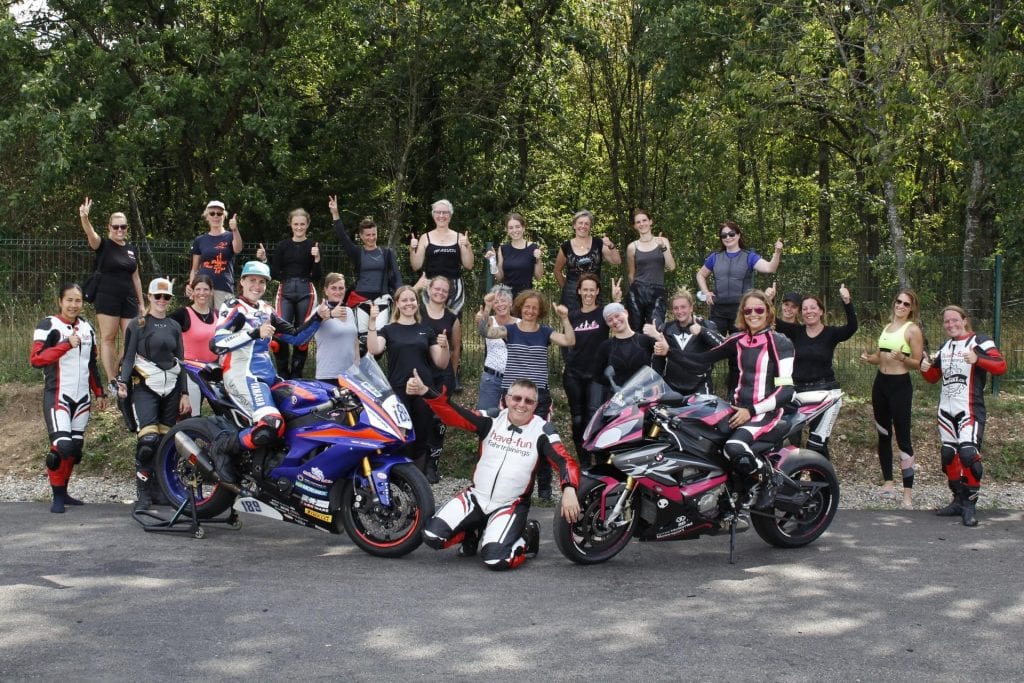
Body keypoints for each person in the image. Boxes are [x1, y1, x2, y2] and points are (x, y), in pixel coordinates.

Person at [406, 370, 581, 570]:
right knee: (431, 536)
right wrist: (426, 391)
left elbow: (564, 461)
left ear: (536, 405)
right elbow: (454, 415)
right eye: (517, 398)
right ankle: (472, 531)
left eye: (529, 401)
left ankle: (526, 534)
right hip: (476, 497)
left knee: (495, 559)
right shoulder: (492, 418)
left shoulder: (543, 431)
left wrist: (569, 487)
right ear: (507, 399)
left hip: (510, 504)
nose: (522, 404)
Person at [675, 290, 795, 509]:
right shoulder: (738, 340)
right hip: (737, 409)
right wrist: (669, 353)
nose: (753, 314)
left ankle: (770, 480)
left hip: (764, 412)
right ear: (742, 313)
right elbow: (700, 361)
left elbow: (786, 391)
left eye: (759, 309)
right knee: (702, 439)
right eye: (748, 310)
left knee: (734, 445)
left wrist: (751, 410)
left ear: (768, 312)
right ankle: (727, 494)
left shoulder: (780, 342)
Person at [210, 261, 327, 474]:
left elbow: (296, 336)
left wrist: (318, 316)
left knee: (304, 412)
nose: (257, 285)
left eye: (262, 282)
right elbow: (217, 343)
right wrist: (254, 333)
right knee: (271, 423)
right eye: (252, 280)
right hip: (242, 375)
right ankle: (222, 448)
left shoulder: (266, 309)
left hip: (268, 377)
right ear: (242, 282)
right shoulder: (234, 306)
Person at [484, 289, 575, 499]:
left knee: (541, 440)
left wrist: (565, 318)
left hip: (538, 397)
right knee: (507, 440)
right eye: (527, 307)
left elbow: (569, 341)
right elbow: (485, 332)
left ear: (539, 310)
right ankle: (508, 487)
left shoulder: (545, 332)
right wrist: (488, 307)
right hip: (512, 395)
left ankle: (543, 489)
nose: (530, 311)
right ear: (521, 308)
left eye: (534, 307)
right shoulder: (509, 330)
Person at [921, 305, 1006, 526]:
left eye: (954, 320)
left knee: (968, 454)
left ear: (964, 320)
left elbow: (1000, 365)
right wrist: (924, 367)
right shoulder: (945, 347)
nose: (951, 324)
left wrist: (978, 359)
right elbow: (933, 377)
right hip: (945, 412)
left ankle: (970, 505)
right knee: (948, 456)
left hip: (970, 409)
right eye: (947, 322)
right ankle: (958, 500)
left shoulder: (980, 341)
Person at [115, 278, 190, 511]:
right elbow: (128, 357)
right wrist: (123, 383)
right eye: (157, 296)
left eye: (166, 297)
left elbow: (182, 362)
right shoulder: (137, 324)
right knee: (148, 441)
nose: (161, 300)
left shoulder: (174, 326)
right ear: (148, 297)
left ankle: (161, 491)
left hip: (172, 390)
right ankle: (143, 493)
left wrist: (185, 393)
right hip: (146, 387)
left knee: (165, 445)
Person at [30, 284, 106, 513]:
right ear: (60, 301)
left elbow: (91, 364)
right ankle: (57, 498)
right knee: (61, 446)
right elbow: (36, 359)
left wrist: (99, 392)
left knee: (75, 448)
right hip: (57, 395)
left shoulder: (87, 328)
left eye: (78, 300)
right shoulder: (49, 325)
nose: (74, 305)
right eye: (69, 300)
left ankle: (64, 492)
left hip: (82, 397)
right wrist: (65, 345)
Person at [366, 285, 450, 474]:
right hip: (397, 391)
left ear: (416, 303)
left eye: (412, 299)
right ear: (397, 304)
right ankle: (400, 477)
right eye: (404, 300)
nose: (408, 303)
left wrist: (445, 347)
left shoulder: (426, 330)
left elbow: (441, 363)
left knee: (420, 436)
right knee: (400, 435)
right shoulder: (388, 330)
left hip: (423, 389)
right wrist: (372, 322)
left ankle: (418, 480)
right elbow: (374, 349)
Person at [695, 221, 783, 394]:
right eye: (724, 235)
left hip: (741, 312)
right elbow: (700, 274)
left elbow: (770, 267)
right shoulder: (715, 257)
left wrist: (777, 251)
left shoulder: (749, 256)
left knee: (738, 354)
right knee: (710, 349)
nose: (728, 237)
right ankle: (704, 392)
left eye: (731, 234)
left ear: (738, 235)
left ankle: (734, 395)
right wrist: (706, 293)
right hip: (718, 311)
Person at [773, 285, 858, 459]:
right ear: (801, 313)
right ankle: (796, 481)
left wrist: (847, 301)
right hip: (799, 393)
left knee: (816, 444)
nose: (808, 311)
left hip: (825, 392)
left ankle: (824, 485)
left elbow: (852, 327)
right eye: (804, 309)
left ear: (821, 311)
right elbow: (771, 320)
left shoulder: (831, 333)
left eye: (813, 308)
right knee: (790, 440)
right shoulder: (795, 331)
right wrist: (769, 299)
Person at [859, 289, 925, 509]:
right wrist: (868, 359)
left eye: (906, 304)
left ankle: (907, 493)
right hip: (881, 385)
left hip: (900, 386)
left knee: (903, 438)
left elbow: (918, 363)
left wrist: (903, 358)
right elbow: (879, 357)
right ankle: (888, 481)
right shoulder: (887, 328)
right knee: (883, 434)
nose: (901, 306)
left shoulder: (912, 330)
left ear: (912, 308)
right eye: (899, 302)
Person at [77, 197, 145, 387]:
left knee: (132, 338)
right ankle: (112, 379)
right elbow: (91, 235)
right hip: (107, 297)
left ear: (127, 228)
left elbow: (136, 277)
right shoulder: (103, 245)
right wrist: (84, 218)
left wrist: (141, 303)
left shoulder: (132, 249)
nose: (119, 230)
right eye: (115, 227)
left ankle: (119, 371)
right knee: (108, 338)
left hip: (129, 298)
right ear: (109, 227)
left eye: (122, 227)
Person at [254, 208, 322, 379]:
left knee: (302, 333)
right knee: (280, 332)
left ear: (307, 225)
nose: (299, 227)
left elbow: (318, 276)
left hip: (306, 291)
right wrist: (263, 260)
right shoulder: (283, 245)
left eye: (302, 224)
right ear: (290, 225)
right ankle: (283, 374)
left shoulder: (313, 245)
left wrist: (317, 259)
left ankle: (296, 376)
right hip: (285, 290)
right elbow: (275, 273)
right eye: (296, 224)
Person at [329, 197, 402, 354]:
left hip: (382, 300)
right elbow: (343, 239)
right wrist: (335, 214)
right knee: (362, 344)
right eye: (367, 235)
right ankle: (361, 376)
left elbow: (397, 278)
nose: (371, 238)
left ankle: (374, 375)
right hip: (361, 300)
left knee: (378, 343)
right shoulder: (357, 253)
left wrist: (401, 298)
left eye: (373, 234)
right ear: (361, 236)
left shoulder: (387, 253)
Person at [562, 274, 622, 465]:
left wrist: (617, 301)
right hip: (574, 375)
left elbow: (621, 325)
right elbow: (566, 342)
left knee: (594, 417)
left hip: (596, 376)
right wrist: (568, 362)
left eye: (592, 290)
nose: (588, 293)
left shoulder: (604, 313)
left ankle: (601, 459)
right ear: (579, 291)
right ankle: (585, 464)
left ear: (597, 292)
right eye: (585, 289)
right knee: (578, 420)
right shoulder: (572, 315)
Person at [416, 275, 462, 482]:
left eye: (444, 290)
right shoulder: (418, 312)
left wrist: (450, 375)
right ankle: (418, 463)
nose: (440, 293)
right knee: (420, 419)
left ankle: (432, 466)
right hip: (421, 374)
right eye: (437, 288)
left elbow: (455, 350)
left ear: (448, 294)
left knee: (438, 421)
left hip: (442, 377)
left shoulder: (452, 318)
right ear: (430, 289)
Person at [644, 288, 725, 396]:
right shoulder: (666, 328)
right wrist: (655, 382)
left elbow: (723, 346)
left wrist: (702, 331)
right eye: (676, 308)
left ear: (691, 307)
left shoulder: (706, 325)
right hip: (672, 386)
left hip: (700, 386)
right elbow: (658, 359)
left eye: (683, 307)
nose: (679, 311)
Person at [409, 199, 474, 316]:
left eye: (445, 212)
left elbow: (469, 265)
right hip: (431, 288)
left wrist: (467, 245)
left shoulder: (460, 237)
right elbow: (416, 266)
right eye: (438, 212)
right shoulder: (425, 237)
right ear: (433, 215)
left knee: (454, 325)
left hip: (454, 289)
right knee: (430, 325)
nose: (441, 216)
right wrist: (412, 249)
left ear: (450, 215)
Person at [169, 274, 219, 416]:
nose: (201, 293)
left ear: (211, 291)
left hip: (213, 370)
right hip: (191, 371)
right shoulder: (183, 313)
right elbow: (164, 329)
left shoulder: (218, 314)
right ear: (192, 291)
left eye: (205, 289)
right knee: (192, 415)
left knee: (224, 414)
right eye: (198, 289)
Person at [553, 210, 621, 312]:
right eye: (580, 223)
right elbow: (557, 271)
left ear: (590, 227)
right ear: (574, 225)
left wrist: (611, 245)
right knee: (571, 326)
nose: (583, 226)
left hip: (593, 294)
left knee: (596, 325)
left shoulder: (598, 243)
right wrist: (567, 288)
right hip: (571, 297)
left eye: (586, 224)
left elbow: (617, 261)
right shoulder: (566, 246)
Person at [187, 200, 244, 310]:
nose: (215, 216)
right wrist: (191, 285)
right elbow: (194, 268)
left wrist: (235, 230)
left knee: (224, 323)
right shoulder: (200, 240)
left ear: (224, 216)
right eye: (212, 213)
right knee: (202, 320)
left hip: (224, 287)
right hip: (203, 288)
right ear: (207, 216)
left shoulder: (231, 236)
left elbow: (237, 249)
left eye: (219, 213)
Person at [624, 209, 675, 331]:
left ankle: (656, 350)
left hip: (657, 291)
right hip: (638, 291)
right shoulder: (632, 247)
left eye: (644, 220)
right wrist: (634, 294)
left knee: (656, 329)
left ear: (651, 221)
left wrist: (663, 247)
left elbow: (671, 266)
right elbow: (631, 275)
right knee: (636, 330)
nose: (642, 224)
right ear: (635, 226)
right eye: (638, 222)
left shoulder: (663, 241)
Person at [474, 285, 519, 412]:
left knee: (513, 414)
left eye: (503, 300)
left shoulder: (520, 323)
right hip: (491, 377)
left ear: (511, 303)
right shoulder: (488, 320)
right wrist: (486, 307)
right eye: (496, 302)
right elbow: (481, 328)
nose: (500, 304)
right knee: (486, 414)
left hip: (515, 378)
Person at [594, 302, 656, 390]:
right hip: (620, 399)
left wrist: (657, 336)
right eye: (610, 320)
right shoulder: (605, 346)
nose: (615, 321)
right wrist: (613, 385)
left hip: (646, 396)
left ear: (626, 313)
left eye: (617, 316)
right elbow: (597, 375)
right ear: (607, 324)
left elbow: (664, 355)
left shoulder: (645, 340)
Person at [313, 273, 360, 382]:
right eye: (333, 288)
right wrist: (330, 314)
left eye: (341, 288)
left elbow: (354, 339)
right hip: (328, 375)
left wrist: (357, 363)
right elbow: (306, 329)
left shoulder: (349, 311)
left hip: (351, 376)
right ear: (326, 290)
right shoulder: (319, 311)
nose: (338, 292)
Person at [484, 213, 544, 298]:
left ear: (523, 228)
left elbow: (539, 276)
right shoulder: (503, 249)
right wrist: (492, 261)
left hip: (526, 298)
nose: (515, 230)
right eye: (511, 228)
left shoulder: (533, 248)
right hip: (507, 299)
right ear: (507, 230)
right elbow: (499, 277)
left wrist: (538, 259)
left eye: (517, 226)